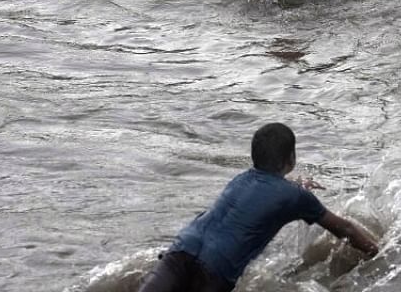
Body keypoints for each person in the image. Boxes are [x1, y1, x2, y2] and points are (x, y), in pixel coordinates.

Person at [138, 123, 380, 292]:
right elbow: (344, 228)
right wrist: (380, 253)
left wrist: (298, 185)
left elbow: (270, 188)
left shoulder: (240, 179)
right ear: (291, 159)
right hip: (215, 271)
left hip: (179, 252)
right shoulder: (294, 196)